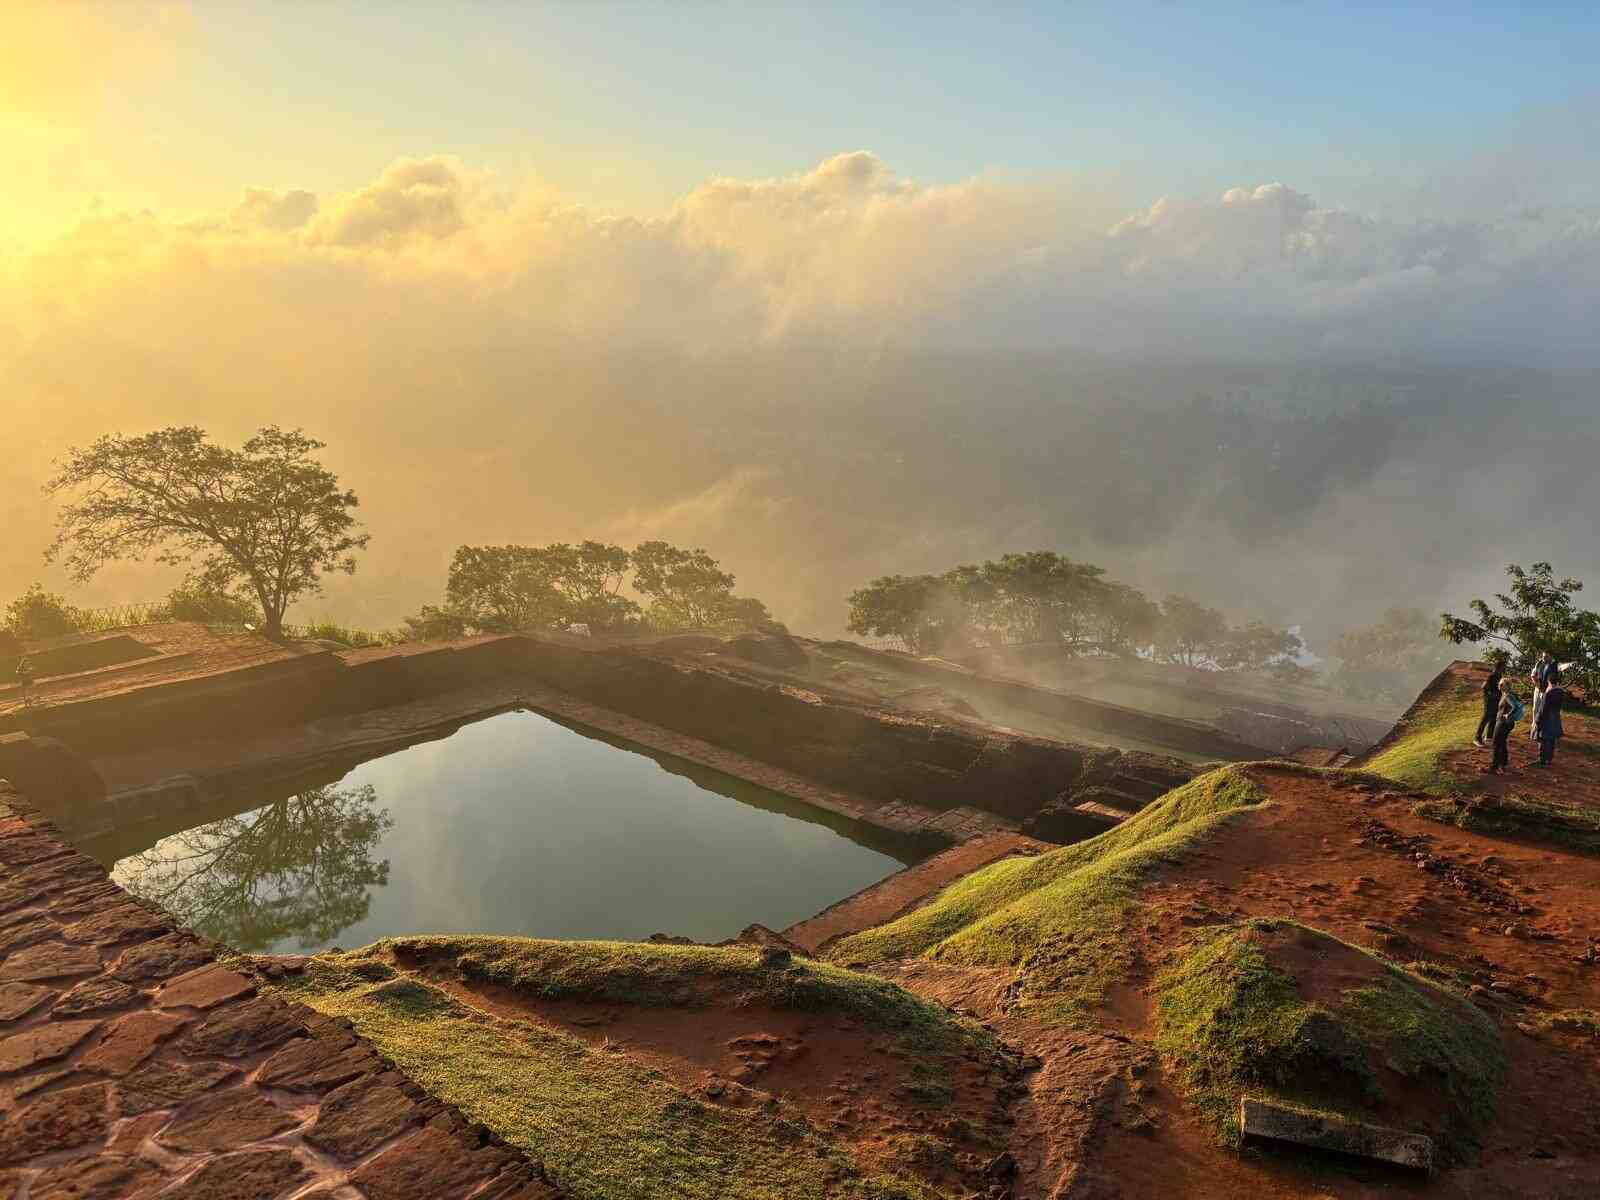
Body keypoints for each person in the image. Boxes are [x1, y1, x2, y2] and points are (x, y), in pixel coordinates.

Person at [1483, 679, 1521, 775]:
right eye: (1499, 684)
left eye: (1502, 684)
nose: (1499, 686)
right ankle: (1503, 763)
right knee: (1502, 742)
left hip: (1503, 723)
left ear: (1507, 686)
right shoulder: (1508, 694)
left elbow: (1515, 707)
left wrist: (1508, 715)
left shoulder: (1507, 695)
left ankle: (1494, 767)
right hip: (1506, 723)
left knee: (1496, 743)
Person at [1534, 679, 1566, 767]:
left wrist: (1537, 720)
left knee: (1543, 739)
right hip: (1555, 717)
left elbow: (1543, 709)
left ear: (1549, 682)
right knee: (1552, 740)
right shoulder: (1561, 692)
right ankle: (1549, 759)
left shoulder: (1548, 693)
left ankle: (1542, 760)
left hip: (1546, 718)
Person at [1474, 661, 1504, 747]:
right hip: (1489, 701)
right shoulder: (1492, 676)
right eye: (1502, 667)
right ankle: (1477, 738)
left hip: (1496, 701)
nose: (1503, 669)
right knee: (1485, 718)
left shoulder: (1499, 676)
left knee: (1494, 718)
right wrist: (1491, 694)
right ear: (1498, 668)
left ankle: (1489, 737)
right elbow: (1484, 687)